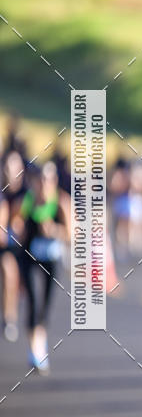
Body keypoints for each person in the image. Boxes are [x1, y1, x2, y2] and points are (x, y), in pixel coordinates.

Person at [14, 162, 70, 373]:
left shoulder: (61, 202)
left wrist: (54, 230)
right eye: (41, 180)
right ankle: (34, 351)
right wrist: (18, 227)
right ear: (35, 182)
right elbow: (15, 221)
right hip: (28, 255)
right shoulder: (26, 201)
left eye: (49, 179)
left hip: (51, 258)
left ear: (54, 181)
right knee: (32, 301)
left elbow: (71, 234)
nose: (44, 184)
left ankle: (41, 345)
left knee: (45, 305)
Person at [1, 150, 27, 342]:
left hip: (23, 247)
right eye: (9, 168)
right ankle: (9, 318)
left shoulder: (26, 194)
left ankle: (10, 316)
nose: (12, 172)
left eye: (16, 168)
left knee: (18, 282)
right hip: (5, 247)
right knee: (8, 271)